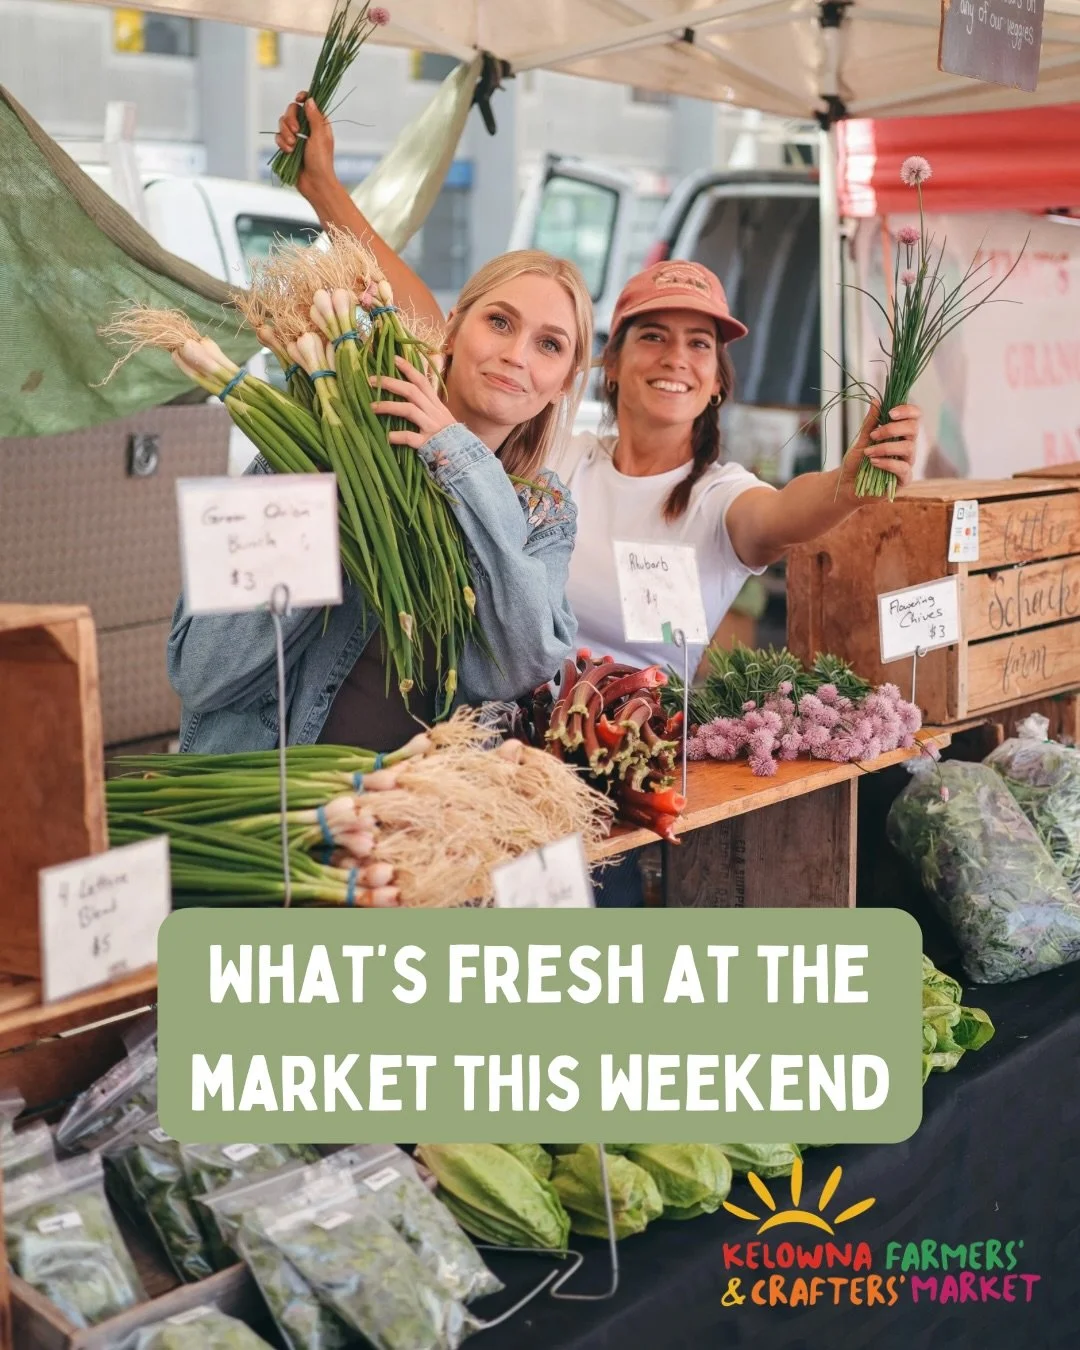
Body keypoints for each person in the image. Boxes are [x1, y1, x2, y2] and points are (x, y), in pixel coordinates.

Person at [166, 104, 594, 755]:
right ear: (452, 330)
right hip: (274, 812)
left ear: (565, 380)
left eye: (550, 345)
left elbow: (512, 665)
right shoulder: (321, 443)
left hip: (419, 827)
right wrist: (338, 488)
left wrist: (459, 459)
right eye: (500, 323)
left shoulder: (543, 514)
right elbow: (203, 675)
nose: (516, 355)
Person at [549, 260, 921, 671]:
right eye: (654, 337)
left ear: (717, 384)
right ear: (613, 365)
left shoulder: (718, 495)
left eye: (699, 344)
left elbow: (777, 515)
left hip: (642, 730)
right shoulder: (565, 458)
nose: (676, 358)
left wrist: (843, 487)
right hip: (515, 726)